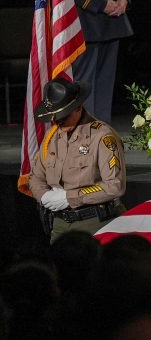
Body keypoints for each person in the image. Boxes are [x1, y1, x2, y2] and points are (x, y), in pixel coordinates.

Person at [29, 78, 127, 242]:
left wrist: (69, 197)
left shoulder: (102, 136)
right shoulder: (52, 137)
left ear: (78, 108)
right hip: (60, 224)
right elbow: (36, 176)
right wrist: (44, 196)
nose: (57, 123)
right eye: (55, 118)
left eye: (62, 117)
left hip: (95, 222)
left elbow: (114, 186)